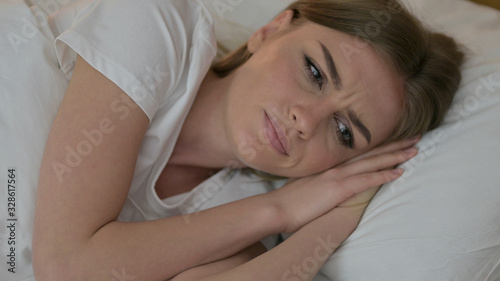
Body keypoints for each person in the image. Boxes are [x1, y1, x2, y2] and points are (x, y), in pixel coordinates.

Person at [30, 0, 464, 280]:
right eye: (314, 72)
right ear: (272, 30)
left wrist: (339, 215)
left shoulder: (245, 216)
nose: (305, 121)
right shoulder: (159, 26)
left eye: (344, 131)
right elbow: (66, 265)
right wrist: (280, 210)